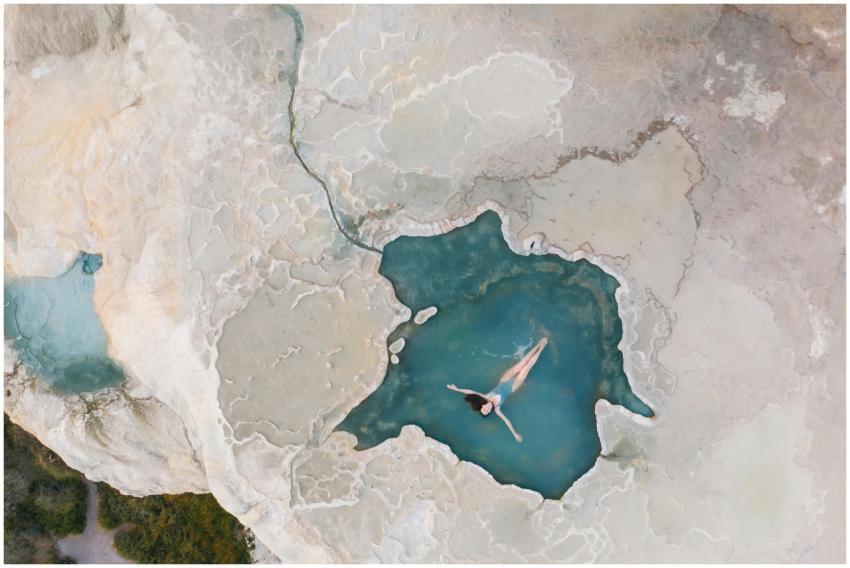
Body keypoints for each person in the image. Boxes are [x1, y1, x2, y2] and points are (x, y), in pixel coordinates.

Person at [446, 337, 548, 442]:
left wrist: (456, 389)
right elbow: (507, 422)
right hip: (513, 387)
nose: (486, 409)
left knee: (522, 363)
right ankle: (541, 347)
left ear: (483, 405)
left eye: (484, 409)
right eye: (487, 411)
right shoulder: (497, 409)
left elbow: (471, 391)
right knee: (527, 367)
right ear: (489, 411)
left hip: (504, 380)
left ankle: (538, 344)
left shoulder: (485, 397)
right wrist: (515, 434)